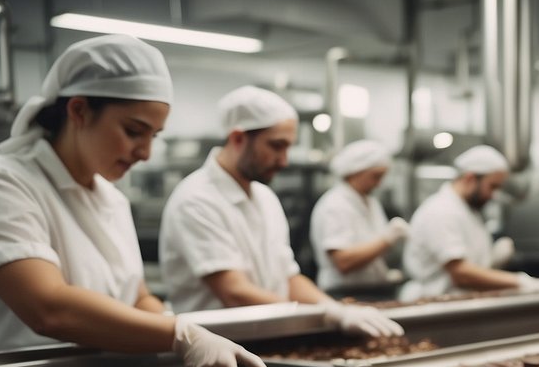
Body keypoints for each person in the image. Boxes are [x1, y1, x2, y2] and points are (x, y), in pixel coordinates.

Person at [0, 34, 265, 367]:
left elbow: (137, 296)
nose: (145, 152)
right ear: (79, 111)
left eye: (154, 136)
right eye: (133, 131)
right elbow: (48, 307)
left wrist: (178, 329)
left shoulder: (111, 199)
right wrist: (178, 333)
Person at [159, 86, 402, 339]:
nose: (284, 160)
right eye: (276, 146)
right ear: (238, 138)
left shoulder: (265, 198)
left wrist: (335, 308)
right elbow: (234, 291)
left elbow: (289, 278)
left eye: (288, 148)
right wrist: (321, 315)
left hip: (269, 340)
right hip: (216, 349)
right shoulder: (197, 199)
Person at [400, 145, 539, 301]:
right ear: (470, 178)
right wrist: (521, 282)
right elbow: (461, 274)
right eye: (492, 186)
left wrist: (492, 262)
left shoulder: (469, 211)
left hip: (460, 304)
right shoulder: (441, 211)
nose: (493, 195)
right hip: (435, 306)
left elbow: (469, 266)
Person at [310, 139, 407, 293]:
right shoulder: (335, 205)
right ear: (355, 172)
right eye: (376, 176)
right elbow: (343, 262)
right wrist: (387, 239)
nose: (379, 184)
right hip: (343, 293)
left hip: (372, 291)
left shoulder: (371, 202)